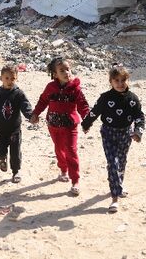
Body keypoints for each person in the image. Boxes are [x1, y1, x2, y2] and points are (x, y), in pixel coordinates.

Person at [82, 64, 145, 213]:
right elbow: (95, 111)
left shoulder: (132, 99)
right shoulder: (105, 98)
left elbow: (139, 116)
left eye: (123, 80)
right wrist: (86, 124)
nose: (120, 83)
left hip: (125, 134)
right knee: (113, 163)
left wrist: (138, 132)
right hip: (108, 133)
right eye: (116, 80)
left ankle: (118, 185)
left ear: (128, 80)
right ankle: (114, 197)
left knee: (121, 162)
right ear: (111, 82)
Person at [30, 57, 90, 196]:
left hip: (70, 126)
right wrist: (36, 113)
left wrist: (87, 121)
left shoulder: (76, 89)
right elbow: (43, 100)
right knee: (59, 149)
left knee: (71, 151)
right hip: (53, 125)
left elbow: (83, 106)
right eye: (61, 70)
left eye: (67, 69)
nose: (66, 72)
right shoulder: (50, 88)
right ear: (55, 74)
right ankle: (63, 170)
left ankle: (75, 180)